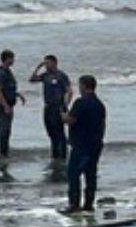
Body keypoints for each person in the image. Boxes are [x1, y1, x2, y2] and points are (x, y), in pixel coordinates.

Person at [63, 75, 106, 214]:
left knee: (73, 174)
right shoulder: (100, 104)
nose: (78, 88)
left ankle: (74, 204)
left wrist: (62, 116)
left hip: (81, 144)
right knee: (91, 174)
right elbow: (102, 125)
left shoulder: (80, 103)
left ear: (84, 86)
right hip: (95, 144)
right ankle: (88, 204)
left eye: (80, 85)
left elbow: (71, 120)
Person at [29, 54, 73, 160]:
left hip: (58, 107)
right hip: (48, 107)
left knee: (59, 133)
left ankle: (62, 156)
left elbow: (69, 90)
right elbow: (32, 79)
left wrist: (65, 104)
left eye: (48, 63)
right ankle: (54, 155)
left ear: (54, 63)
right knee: (51, 132)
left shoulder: (61, 75)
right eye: (45, 64)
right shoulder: (45, 75)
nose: (46, 66)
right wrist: (38, 67)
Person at [0, 49, 27, 157]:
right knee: (4, 130)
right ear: (7, 59)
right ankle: (3, 153)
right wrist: (5, 105)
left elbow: (8, 88)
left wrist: (17, 94)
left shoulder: (8, 71)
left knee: (7, 131)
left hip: (9, 104)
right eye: (12, 58)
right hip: (3, 106)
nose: (13, 60)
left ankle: (4, 152)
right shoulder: (1, 72)